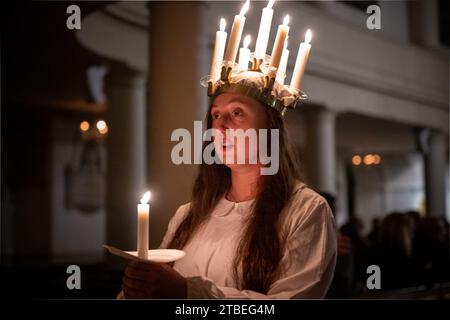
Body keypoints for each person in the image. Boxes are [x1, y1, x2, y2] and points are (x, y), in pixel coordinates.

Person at [119, 89, 337, 299]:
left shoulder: (306, 210)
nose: (221, 126)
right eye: (216, 115)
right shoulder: (188, 214)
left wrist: (188, 293)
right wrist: (139, 287)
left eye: (237, 113)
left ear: (270, 127)